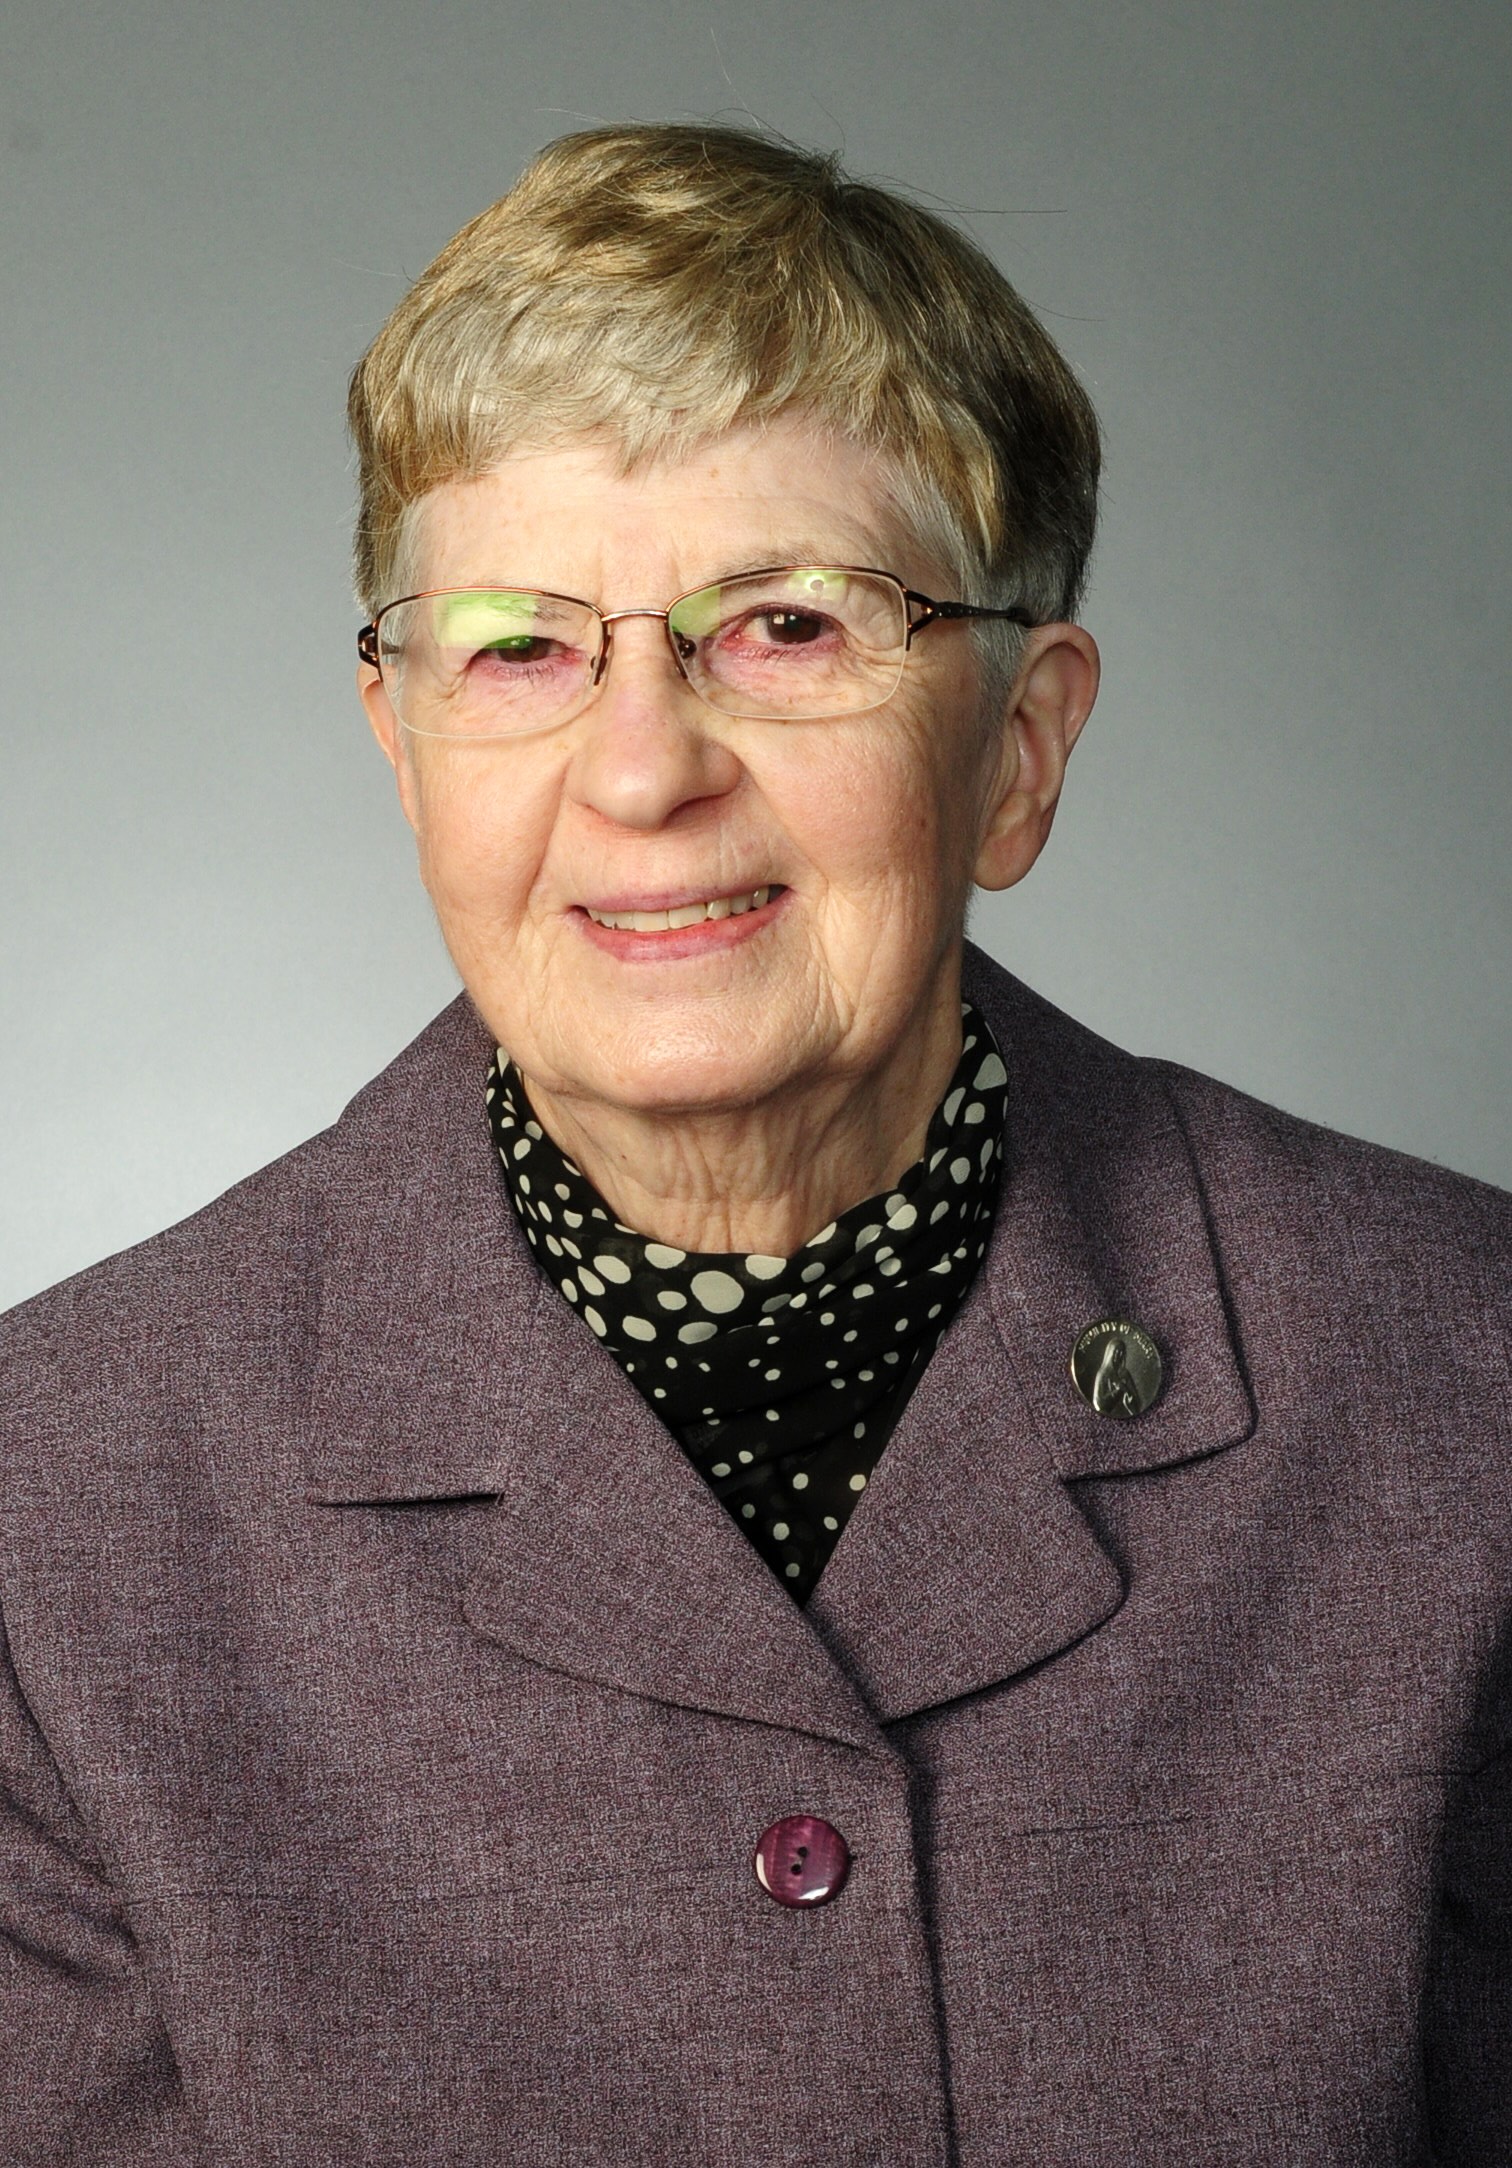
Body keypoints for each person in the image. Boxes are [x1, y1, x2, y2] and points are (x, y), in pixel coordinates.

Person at [0, 121, 1507, 2166]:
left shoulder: (1465, 1381)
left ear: (1022, 745)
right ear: (402, 741)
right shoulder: (55, 1508)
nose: (640, 770)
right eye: (521, 645)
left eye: (788, 626)